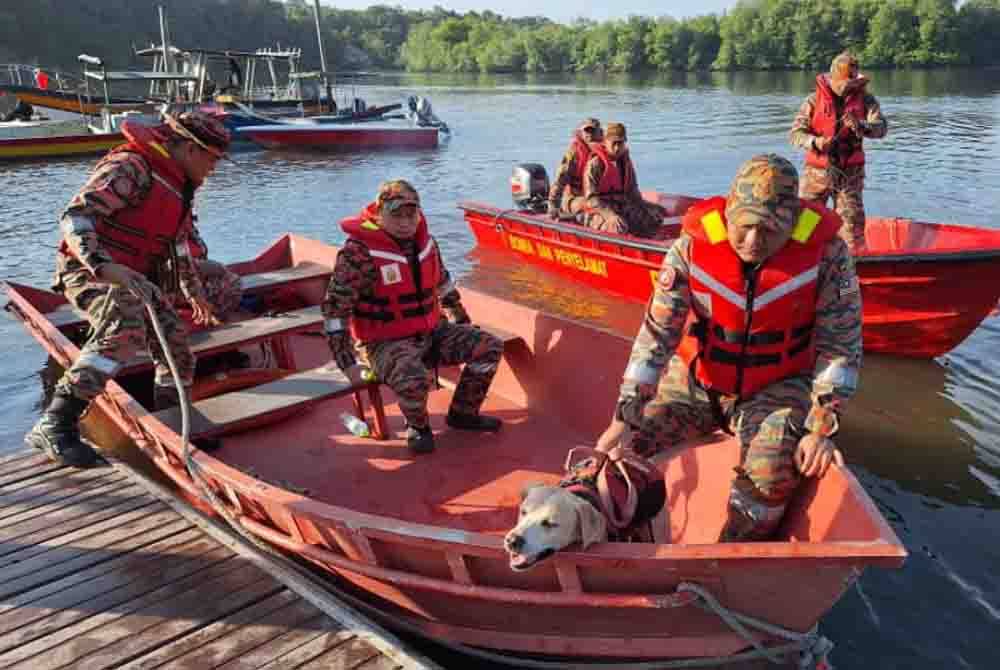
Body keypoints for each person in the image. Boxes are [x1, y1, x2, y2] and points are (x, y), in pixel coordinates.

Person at [596, 154, 862, 542]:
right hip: (697, 382)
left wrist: (822, 426)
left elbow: (841, 346)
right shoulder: (690, 248)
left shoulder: (829, 255)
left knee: (769, 476)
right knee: (625, 453)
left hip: (777, 388)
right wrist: (626, 413)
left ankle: (733, 552)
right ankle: (624, 539)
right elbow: (656, 337)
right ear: (729, 212)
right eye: (745, 226)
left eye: (769, 230)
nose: (753, 242)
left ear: (793, 222)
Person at [25, 112, 234, 467]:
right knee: (123, 327)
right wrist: (102, 265)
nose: (214, 168)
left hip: (136, 278)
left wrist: (193, 292)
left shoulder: (179, 186)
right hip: (90, 270)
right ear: (187, 148)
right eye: (211, 158)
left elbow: (178, 246)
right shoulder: (132, 168)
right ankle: (57, 421)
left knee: (175, 346)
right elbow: (75, 217)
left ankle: (173, 425)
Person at [322, 179, 503, 454]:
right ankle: (418, 427)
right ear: (379, 214)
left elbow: (443, 285)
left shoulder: (427, 243)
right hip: (382, 342)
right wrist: (347, 363)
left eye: (411, 215)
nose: (405, 223)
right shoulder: (357, 254)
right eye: (396, 215)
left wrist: (461, 320)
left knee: (489, 346)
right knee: (413, 377)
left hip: (431, 331)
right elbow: (335, 312)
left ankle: (463, 413)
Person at [789, 51, 888, 253]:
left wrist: (861, 126)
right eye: (843, 82)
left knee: (852, 227)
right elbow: (796, 134)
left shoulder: (867, 100)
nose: (847, 87)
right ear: (832, 78)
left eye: (852, 82)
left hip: (850, 174)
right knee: (804, 226)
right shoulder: (813, 100)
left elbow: (881, 128)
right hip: (816, 175)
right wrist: (815, 142)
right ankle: (798, 261)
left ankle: (856, 268)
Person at [582, 122, 664, 238]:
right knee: (618, 226)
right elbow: (591, 199)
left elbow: (633, 192)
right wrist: (609, 215)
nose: (617, 148)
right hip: (598, 211)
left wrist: (647, 208)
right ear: (605, 142)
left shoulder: (625, 163)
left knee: (653, 219)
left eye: (620, 143)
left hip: (621, 205)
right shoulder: (595, 164)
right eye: (614, 143)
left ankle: (650, 247)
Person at [547, 118, 603, 220]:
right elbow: (559, 182)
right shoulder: (574, 154)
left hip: (597, 197)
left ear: (600, 133)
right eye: (587, 131)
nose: (590, 134)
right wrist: (553, 205)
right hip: (573, 199)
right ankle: (577, 218)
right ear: (581, 133)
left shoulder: (607, 151)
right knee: (594, 205)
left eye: (593, 131)